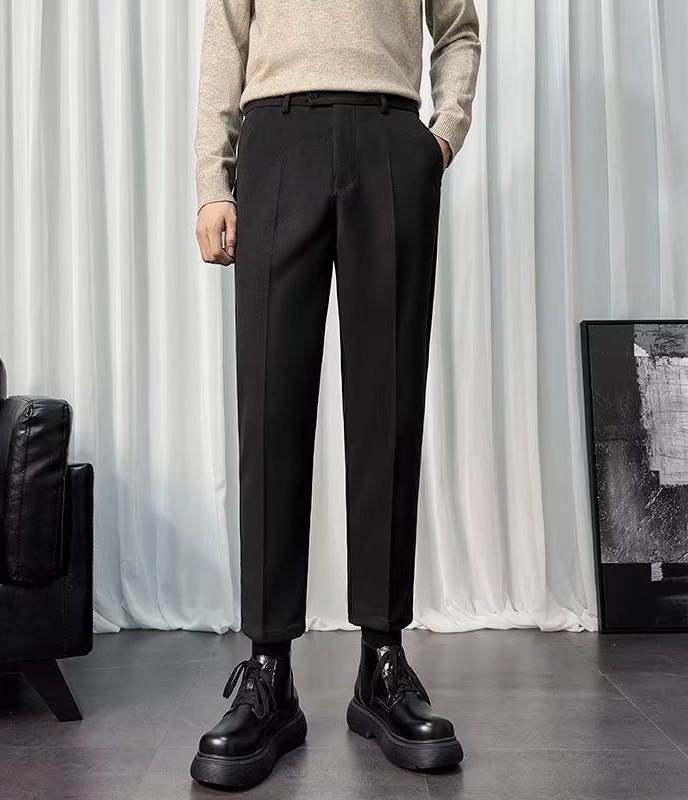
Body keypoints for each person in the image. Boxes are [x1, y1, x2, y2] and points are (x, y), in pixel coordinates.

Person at [192, 0, 481, 788]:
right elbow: (226, 32)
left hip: (391, 138)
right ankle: (268, 673)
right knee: (271, 408)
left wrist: (441, 136)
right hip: (276, 136)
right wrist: (212, 178)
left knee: (389, 407)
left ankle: (381, 663)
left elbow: (458, 29)